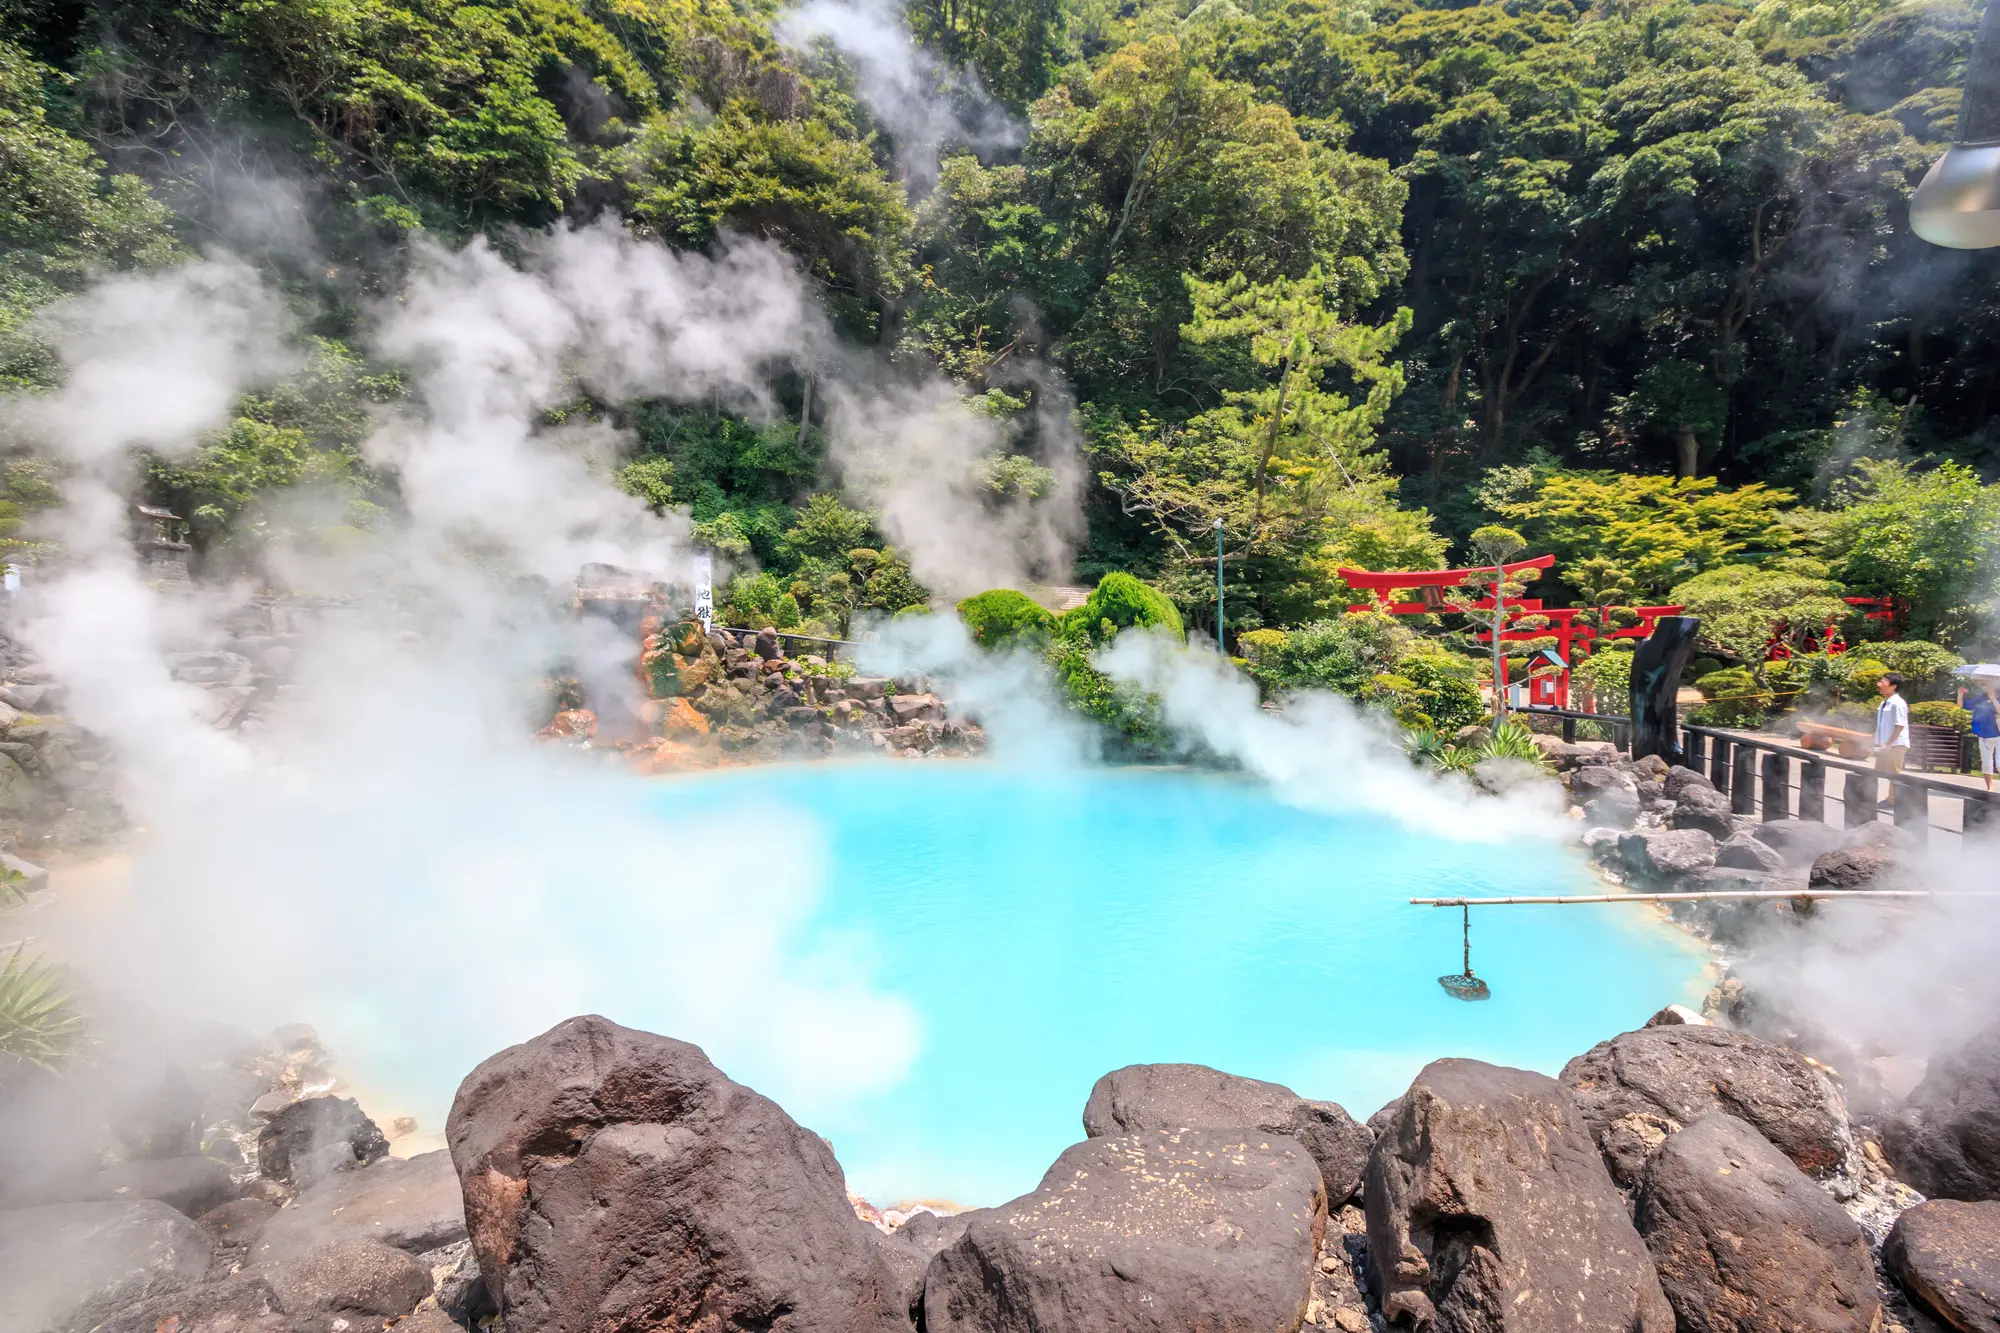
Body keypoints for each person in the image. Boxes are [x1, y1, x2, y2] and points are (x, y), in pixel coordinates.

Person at [1873, 672, 1910, 773]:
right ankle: (1870, 789)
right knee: (1877, 773)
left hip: (1895, 746)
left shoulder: (1897, 703)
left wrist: (1888, 744)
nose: (1879, 685)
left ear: (1893, 686)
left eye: (1883, 682)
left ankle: (1897, 790)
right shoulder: (1884, 702)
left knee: (1895, 776)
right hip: (1884, 745)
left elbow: (1899, 726)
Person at [1972, 682, 2000, 792]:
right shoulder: (1981, 699)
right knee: (1986, 762)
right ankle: (1989, 787)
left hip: (1998, 733)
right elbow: (1964, 705)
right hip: (1984, 735)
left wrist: (1993, 699)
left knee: (1999, 761)